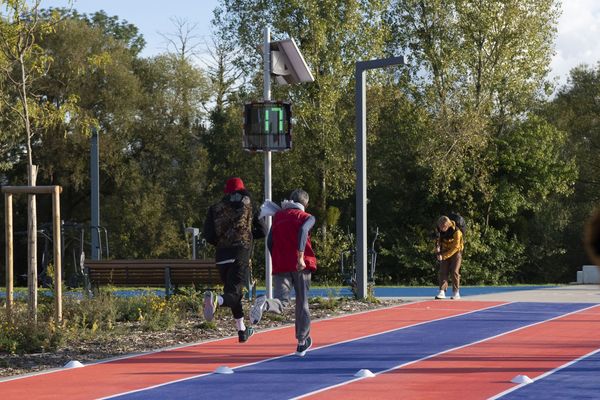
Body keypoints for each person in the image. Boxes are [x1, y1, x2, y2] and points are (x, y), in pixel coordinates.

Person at [250, 189, 316, 356]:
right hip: (301, 265)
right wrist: (300, 256)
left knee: (282, 302)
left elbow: (270, 241)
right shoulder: (307, 217)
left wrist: (276, 259)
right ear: (305, 204)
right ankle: (302, 341)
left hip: (281, 265)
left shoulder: (278, 217)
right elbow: (302, 232)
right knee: (302, 302)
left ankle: (265, 305)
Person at [202, 177, 258, 343]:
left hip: (221, 255)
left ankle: (241, 330)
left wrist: (221, 242)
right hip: (240, 252)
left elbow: (209, 234)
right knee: (233, 294)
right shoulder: (247, 205)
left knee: (233, 293)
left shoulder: (215, 208)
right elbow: (257, 228)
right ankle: (216, 300)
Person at [434, 215, 464, 300]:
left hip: (456, 252)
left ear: (447, 225)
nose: (441, 229)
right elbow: (437, 242)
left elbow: (456, 247)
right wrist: (438, 252)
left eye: (443, 227)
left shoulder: (457, 232)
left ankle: (456, 292)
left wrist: (444, 256)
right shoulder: (439, 229)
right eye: (440, 227)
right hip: (445, 250)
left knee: (454, 271)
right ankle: (442, 291)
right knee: (443, 271)